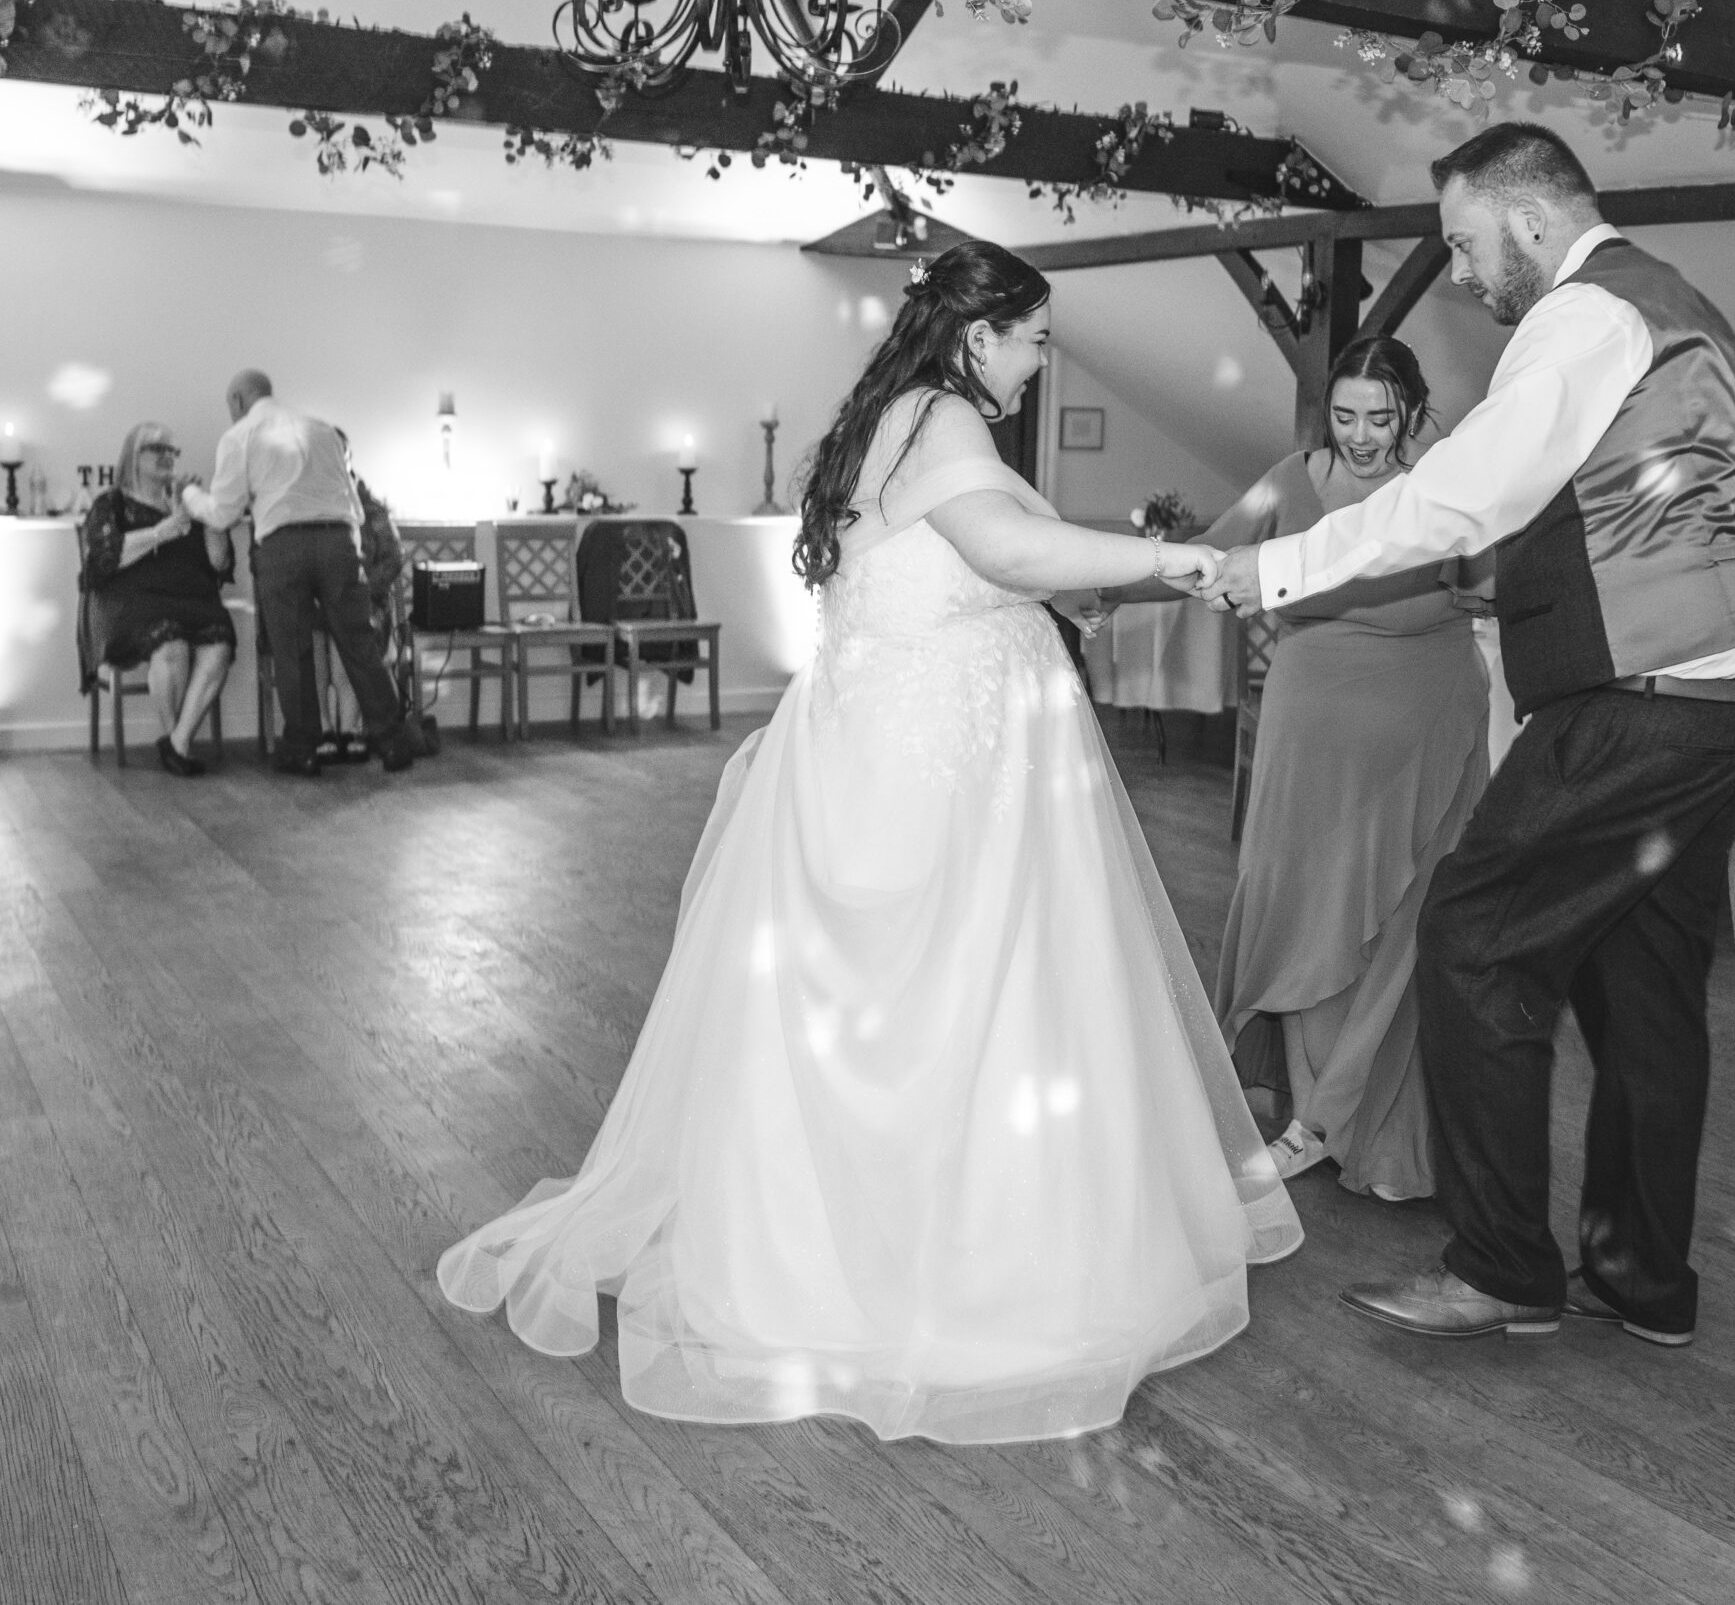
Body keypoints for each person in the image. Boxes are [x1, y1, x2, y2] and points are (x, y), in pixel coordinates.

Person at [439, 241, 1302, 1445]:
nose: (1043, 358)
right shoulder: (948, 416)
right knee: (961, 994)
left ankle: (837, 1239)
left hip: (883, 737)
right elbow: (1004, 554)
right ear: (978, 334)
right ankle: (954, 1268)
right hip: (943, 759)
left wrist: (1069, 587)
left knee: (890, 998)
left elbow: (962, 562)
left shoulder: (889, 418)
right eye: (1035, 337)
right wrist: (1185, 560)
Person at [1199, 123, 1735, 1350]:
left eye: (1465, 243)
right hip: (1734, 691)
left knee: (1470, 937)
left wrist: (1274, 568)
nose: (1462, 274)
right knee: (1643, 992)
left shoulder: (1582, 317)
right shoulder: (1687, 310)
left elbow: (1466, 490)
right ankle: (1641, 1283)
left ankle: (1503, 1265)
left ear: (1528, 219)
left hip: (1643, 693)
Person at [1108, 337, 1487, 1201]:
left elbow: (1493, 580)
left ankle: (1352, 1124)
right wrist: (1103, 586)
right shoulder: (1291, 480)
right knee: (1300, 902)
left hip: (1428, 726)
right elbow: (1208, 555)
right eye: (1346, 414)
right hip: (1312, 730)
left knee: (1404, 924)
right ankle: (1308, 1105)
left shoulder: (1447, 484)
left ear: (1415, 411)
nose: (1360, 435)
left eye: (1381, 416)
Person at [181, 371, 422, 776]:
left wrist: (190, 496)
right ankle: (392, 739)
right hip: (339, 541)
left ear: (238, 401)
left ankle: (303, 748)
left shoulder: (241, 436)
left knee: (292, 649)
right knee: (358, 642)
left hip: (284, 547)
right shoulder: (323, 430)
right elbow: (354, 504)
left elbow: (222, 512)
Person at [79, 422, 237, 776]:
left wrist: (210, 517)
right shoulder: (113, 502)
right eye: (158, 449)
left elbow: (218, 562)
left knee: (220, 643)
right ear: (134, 456)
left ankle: (177, 744)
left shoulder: (187, 502)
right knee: (171, 643)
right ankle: (175, 740)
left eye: (172, 450)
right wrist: (160, 532)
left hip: (193, 599)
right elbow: (104, 558)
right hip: (133, 602)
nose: (169, 456)